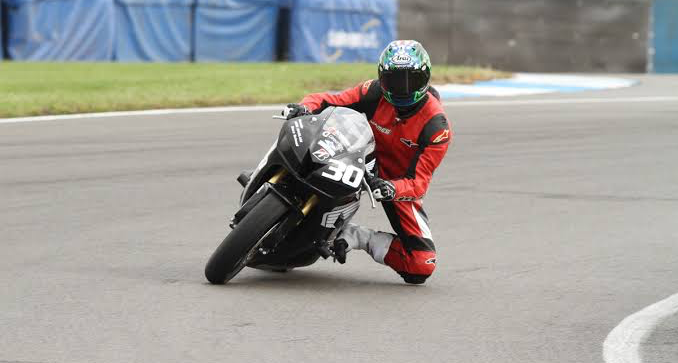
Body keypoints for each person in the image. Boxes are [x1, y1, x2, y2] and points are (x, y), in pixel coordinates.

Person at [282, 40, 452, 285]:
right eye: (394, 81)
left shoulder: (436, 127)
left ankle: (355, 236)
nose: (403, 89)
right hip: (355, 154)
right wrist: (304, 107)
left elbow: (419, 182)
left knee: (421, 264)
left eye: (410, 80)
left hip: (395, 181)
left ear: (425, 78)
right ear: (382, 78)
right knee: (303, 135)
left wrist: (392, 188)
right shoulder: (373, 91)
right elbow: (330, 100)